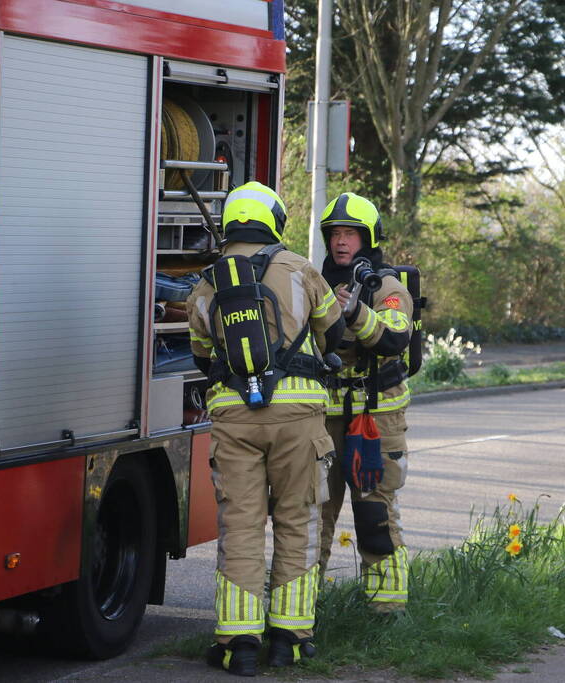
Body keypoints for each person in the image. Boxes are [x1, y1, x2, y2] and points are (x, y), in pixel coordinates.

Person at [187, 182, 344, 676]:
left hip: (234, 415)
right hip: (299, 416)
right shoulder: (300, 268)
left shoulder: (208, 282)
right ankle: (288, 641)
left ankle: (240, 646)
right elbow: (333, 331)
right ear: (275, 220)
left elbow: (201, 355)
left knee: (241, 527)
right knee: (298, 520)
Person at [317, 192, 414, 613]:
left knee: (374, 518)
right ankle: (298, 612)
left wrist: (356, 312)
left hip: (375, 421)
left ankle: (386, 612)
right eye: (335, 234)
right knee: (311, 517)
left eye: (350, 234)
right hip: (323, 420)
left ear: (367, 239)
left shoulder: (388, 287)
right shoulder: (316, 284)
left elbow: (394, 338)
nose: (341, 242)